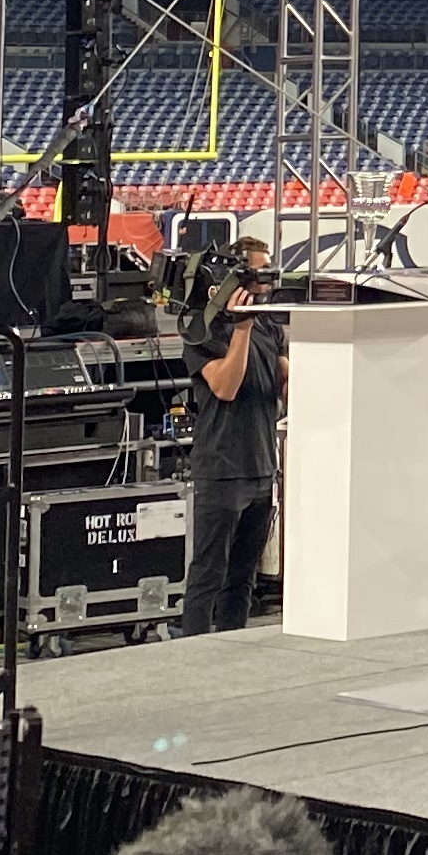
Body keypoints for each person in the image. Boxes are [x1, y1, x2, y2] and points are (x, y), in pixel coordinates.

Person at [178, 241, 286, 635]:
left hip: (261, 466)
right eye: (257, 274)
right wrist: (242, 327)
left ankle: (231, 649)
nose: (265, 282)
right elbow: (225, 386)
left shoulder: (268, 324)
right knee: (209, 573)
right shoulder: (200, 326)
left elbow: (285, 380)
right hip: (222, 467)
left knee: (243, 579)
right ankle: (192, 652)